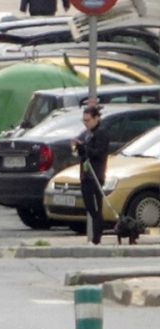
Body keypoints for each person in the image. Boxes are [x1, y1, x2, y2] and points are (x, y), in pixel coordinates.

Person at [72, 105, 112, 245]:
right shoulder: (87, 133)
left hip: (95, 175)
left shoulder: (101, 133)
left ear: (96, 118)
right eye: (84, 120)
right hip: (86, 174)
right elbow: (84, 154)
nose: (85, 123)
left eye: (88, 120)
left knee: (95, 209)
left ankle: (97, 238)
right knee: (89, 207)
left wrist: (85, 148)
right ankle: (95, 236)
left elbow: (99, 153)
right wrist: (79, 148)